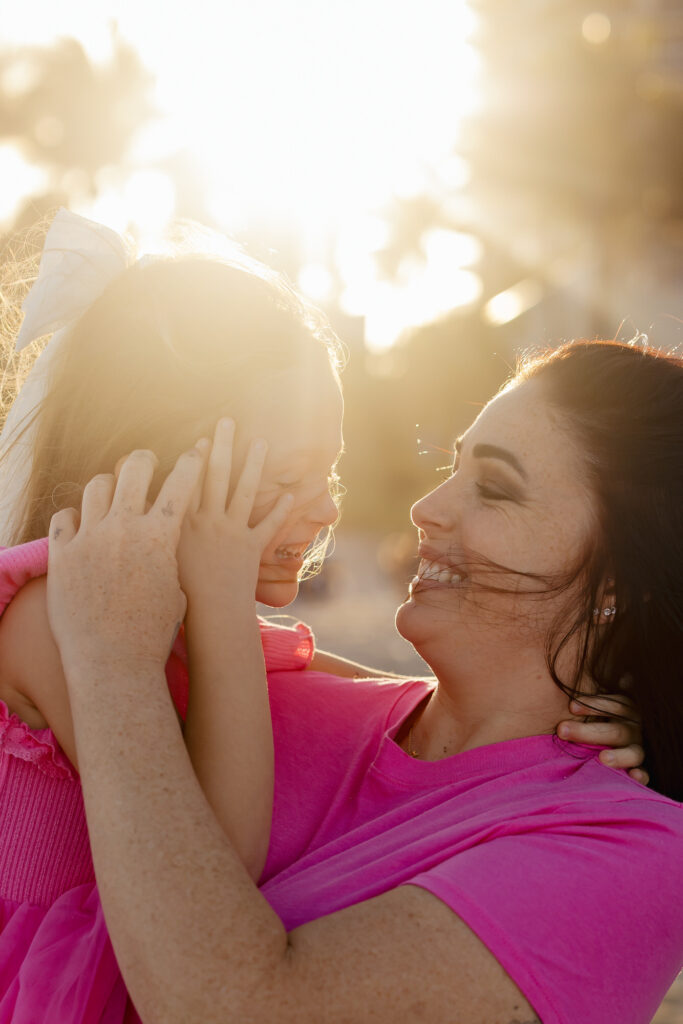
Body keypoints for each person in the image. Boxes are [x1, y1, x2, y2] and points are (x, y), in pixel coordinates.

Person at [0, 209, 650, 1022]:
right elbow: (222, 844)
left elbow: (357, 695)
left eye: (330, 477)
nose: (419, 508)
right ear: (167, 464)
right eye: (286, 477)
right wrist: (200, 603)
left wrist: (617, 705)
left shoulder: (624, 847)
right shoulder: (68, 624)